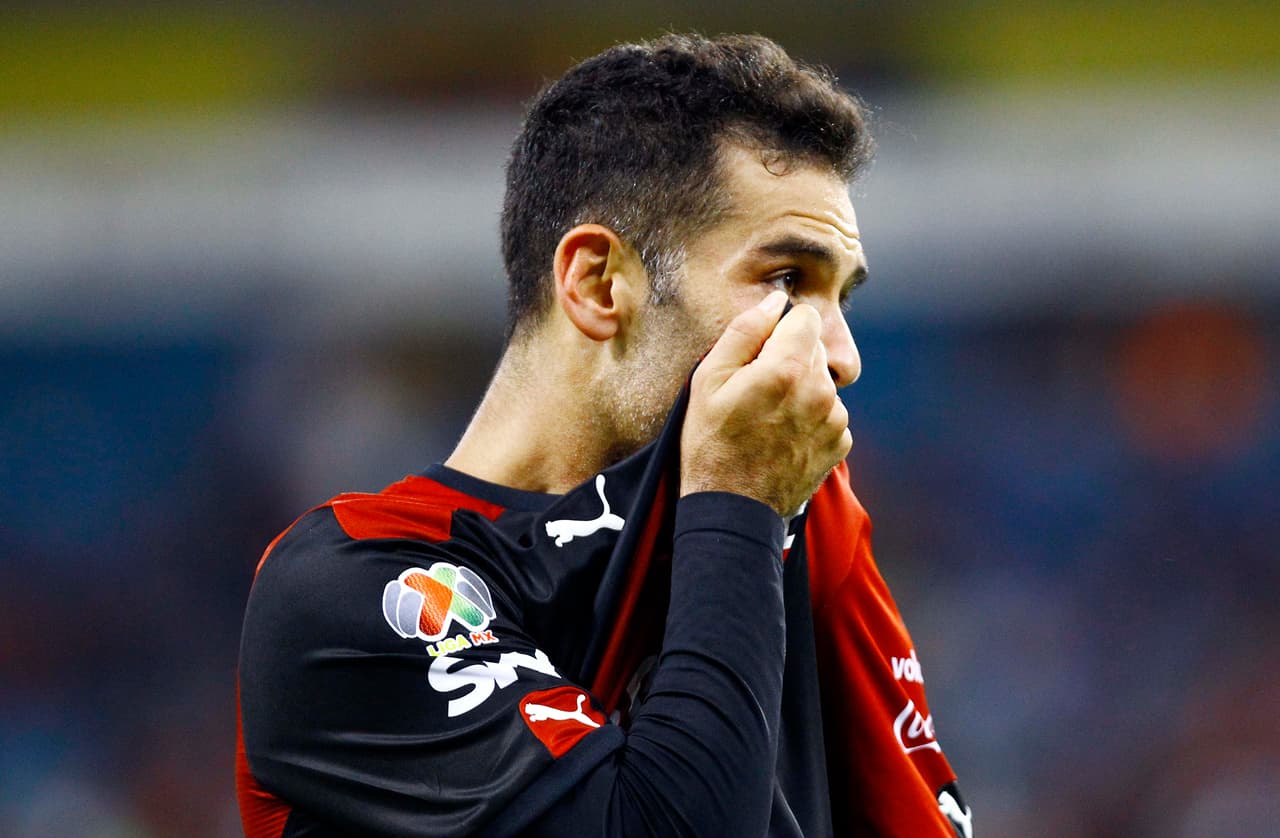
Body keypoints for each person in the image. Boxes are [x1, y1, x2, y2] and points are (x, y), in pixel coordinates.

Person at [237, 33, 971, 837]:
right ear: (597, 282)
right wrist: (733, 503)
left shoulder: (797, 512)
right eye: (787, 279)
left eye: (843, 298)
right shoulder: (356, 589)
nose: (841, 356)